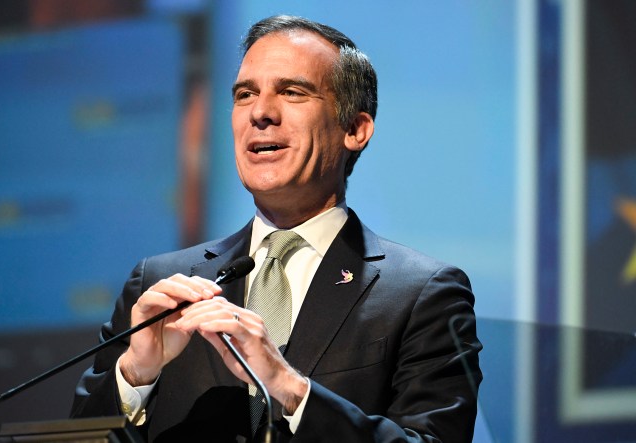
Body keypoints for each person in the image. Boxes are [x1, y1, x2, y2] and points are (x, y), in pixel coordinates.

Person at [72, 15, 482, 442]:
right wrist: (135, 377)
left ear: (356, 129)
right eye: (245, 94)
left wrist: (290, 389)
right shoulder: (157, 285)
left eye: (292, 91)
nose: (261, 113)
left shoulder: (421, 294)